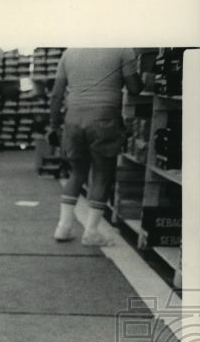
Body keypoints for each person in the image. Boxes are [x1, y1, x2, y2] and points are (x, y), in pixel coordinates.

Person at [48, 48, 142, 246]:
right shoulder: (123, 49)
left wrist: (54, 126)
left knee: (77, 172)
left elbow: (56, 95)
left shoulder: (70, 52)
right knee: (102, 174)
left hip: (73, 119)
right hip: (104, 118)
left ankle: (63, 227)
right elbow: (134, 88)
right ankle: (91, 232)